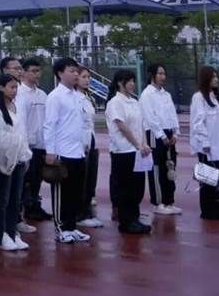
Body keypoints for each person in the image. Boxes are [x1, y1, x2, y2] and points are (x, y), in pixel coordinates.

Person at [44, 57, 92, 244]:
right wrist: (50, 151)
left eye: (76, 71)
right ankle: (61, 228)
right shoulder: (55, 97)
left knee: (75, 192)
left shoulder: (78, 96)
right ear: (60, 73)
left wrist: (84, 145)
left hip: (78, 152)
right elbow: (49, 125)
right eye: (71, 71)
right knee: (62, 193)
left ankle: (72, 227)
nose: (75, 74)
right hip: (62, 153)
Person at [104, 70, 151, 234]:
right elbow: (122, 126)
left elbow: (141, 125)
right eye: (128, 81)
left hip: (137, 151)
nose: (132, 84)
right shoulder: (115, 102)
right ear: (119, 83)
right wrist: (137, 144)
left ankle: (134, 218)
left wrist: (144, 144)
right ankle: (126, 221)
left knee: (137, 187)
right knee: (125, 187)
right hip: (123, 151)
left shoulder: (134, 102)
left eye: (133, 81)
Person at [0, 73, 31, 251]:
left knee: (16, 199)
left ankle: (12, 232)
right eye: (11, 87)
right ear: (1, 88)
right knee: (4, 199)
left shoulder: (16, 107)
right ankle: (1, 236)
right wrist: (14, 143)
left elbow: (23, 132)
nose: (14, 91)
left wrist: (26, 155)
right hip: (5, 160)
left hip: (19, 158)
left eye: (16, 87)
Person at [189, 66, 219, 221]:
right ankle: (210, 211)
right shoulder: (198, 97)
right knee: (209, 179)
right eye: (213, 76)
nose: (216, 79)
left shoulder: (214, 96)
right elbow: (198, 123)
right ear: (206, 79)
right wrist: (205, 142)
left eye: (217, 76)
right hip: (207, 148)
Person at [140, 63, 181, 216]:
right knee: (157, 167)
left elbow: (172, 115)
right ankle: (159, 202)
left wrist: (175, 133)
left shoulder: (166, 94)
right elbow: (150, 117)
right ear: (152, 75)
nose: (163, 77)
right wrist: (161, 135)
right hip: (155, 134)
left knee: (170, 165)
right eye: (160, 73)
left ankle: (169, 201)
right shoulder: (147, 94)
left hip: (169, 132)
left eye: (164, 74)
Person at [17, 56, 49, 226]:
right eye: (33, 71)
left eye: (39, 71)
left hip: (41, 143)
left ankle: (34, 206)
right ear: (23, 72)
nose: (37, 74)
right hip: (27, 144)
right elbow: (20, 121)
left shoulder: (42, 94)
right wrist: (24, 144)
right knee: (26, 180)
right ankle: (24, 208)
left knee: (37, 178)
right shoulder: (19, 93)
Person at [75, 66, 103, 229]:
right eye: (84, 77)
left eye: (88, 77)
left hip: (92, 142)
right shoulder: (74, 98)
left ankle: (86, 212)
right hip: (81, 144)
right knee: (82, 181)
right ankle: (80, 214)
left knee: (90, 180)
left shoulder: (88, 97)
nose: (87, 80)